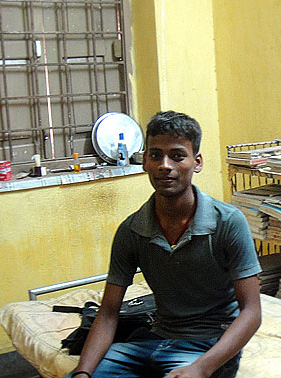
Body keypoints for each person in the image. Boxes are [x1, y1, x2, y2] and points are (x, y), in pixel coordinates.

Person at [67, 111, 262, 378]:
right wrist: (82, 373)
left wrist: (201, 369)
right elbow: (109, 312)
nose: (165, 165)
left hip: (208, 344)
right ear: (145, 161)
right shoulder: (132, 230)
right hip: (150, 340)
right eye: (155, 155)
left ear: (197, 162)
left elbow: (251, 312)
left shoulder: (228, 222)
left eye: (177, 155)